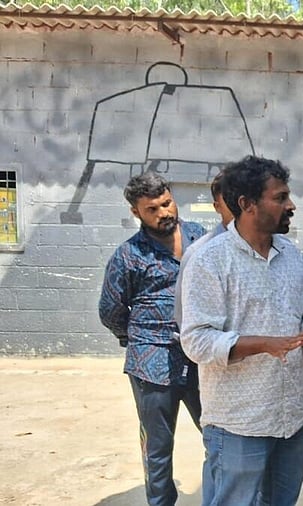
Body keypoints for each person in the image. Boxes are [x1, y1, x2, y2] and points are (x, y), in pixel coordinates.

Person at [180, 156, 303, 505]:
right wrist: (263, 344)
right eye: (280, 198)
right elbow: (195, 340)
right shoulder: (210, 260)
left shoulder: (291, 255)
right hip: (238, 424)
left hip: (291, 418)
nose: (290, 205)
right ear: (246, 204)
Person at [98, 172, 205, 506]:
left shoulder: (201, 238)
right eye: (152, 209)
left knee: (220, 436)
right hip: (152, 365)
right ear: (136, 213)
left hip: (203, 356)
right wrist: (138, 337)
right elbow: (110, 310)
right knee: (158, 447)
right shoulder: (128, 255)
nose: (164, 213)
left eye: (166, 203)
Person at [173, 171, 234, 328]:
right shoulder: (199, 254)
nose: (240, 207)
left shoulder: (280, 249)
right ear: (217, 207)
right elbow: (185, 318)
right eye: (230, 201)